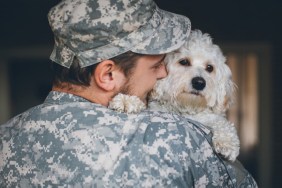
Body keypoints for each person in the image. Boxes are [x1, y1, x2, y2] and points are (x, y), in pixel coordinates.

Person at [0, 0, 257, 187]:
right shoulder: (179, 136)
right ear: (108, 75)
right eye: (156, 65)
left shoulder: (5, 139)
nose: (162, 74)